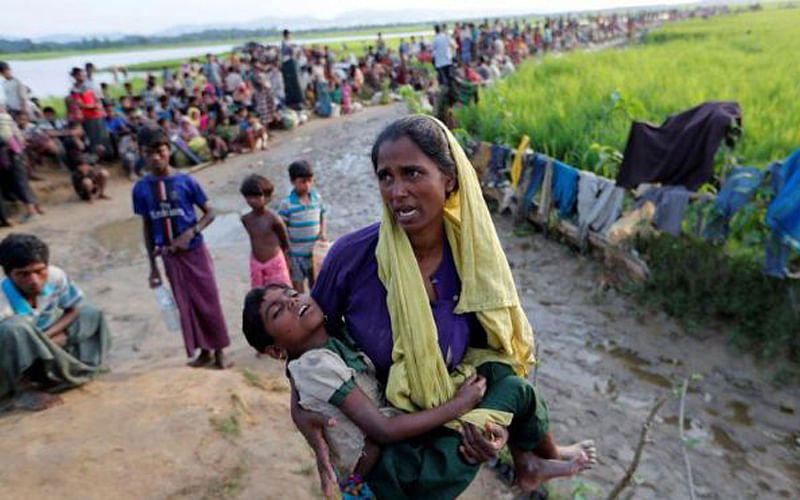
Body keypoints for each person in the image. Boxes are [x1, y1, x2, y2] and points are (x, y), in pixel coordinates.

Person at [295, 115, 596, 497]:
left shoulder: (473, 258)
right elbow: (304, 344)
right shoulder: (352, 258)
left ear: (449, 180)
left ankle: (530, 460)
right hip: (381, 443)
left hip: (451, 428)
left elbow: (490, 355)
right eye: (385, 176)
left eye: (412, 174)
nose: (397, 191)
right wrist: (300, 412)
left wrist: (496, 430)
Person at [242, 284, 487, 491]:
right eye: (277, 311)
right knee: (479, 431)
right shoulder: (314, 366)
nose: (292, 302)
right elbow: (383, 430)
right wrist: (459, 405)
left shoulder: (334, 338)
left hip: (387, 453)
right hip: (388, 470)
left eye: (292, 293)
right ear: (275, 351)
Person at [132, 129, 231, 369]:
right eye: (149, 153)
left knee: (208, 300)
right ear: (142, 155)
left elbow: (210, 213)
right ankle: (203, 352)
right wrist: (152, 267)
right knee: (185, 304)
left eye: (160, 152)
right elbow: (147, 227)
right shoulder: (141, 189)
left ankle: (219, 353)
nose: (155, 158)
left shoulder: (186, 181)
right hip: (169, 258)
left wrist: (191, 232)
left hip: (195, 252)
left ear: (169, 151)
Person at [0, 233, 110, 411]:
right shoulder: (2, 297)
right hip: (15, 357)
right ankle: (23, 389)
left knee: (91, 314)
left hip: (47, 340)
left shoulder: (55, 276)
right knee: (13, 328)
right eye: (23, 274)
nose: (34, 281)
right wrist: (39, 344)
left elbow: (73, 309)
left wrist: (45, 339)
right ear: (8, 273)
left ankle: (75, 367)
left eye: (39, 271)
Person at [278, 160, 326, 292]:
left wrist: (322, 232)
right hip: (295, 255)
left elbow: (322, 215)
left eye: (310, 181)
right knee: (298, 290)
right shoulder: (287, 204)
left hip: (314, 253)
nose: (307, 185)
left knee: (316, 287)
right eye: (303, 181)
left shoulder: (317, 198)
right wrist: (286, 253)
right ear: (293, 182)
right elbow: (282, 228)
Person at [240, 174, 291, 288]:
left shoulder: (274, 219)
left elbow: (285, 241)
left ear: (267, 197)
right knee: (259, 294)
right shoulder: (246, 219)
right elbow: (254, 238)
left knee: (281, 291)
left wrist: (287, 259)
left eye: (257, 197)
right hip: (256, 262)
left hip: (275, 261)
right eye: (248, 197)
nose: (252, 201)